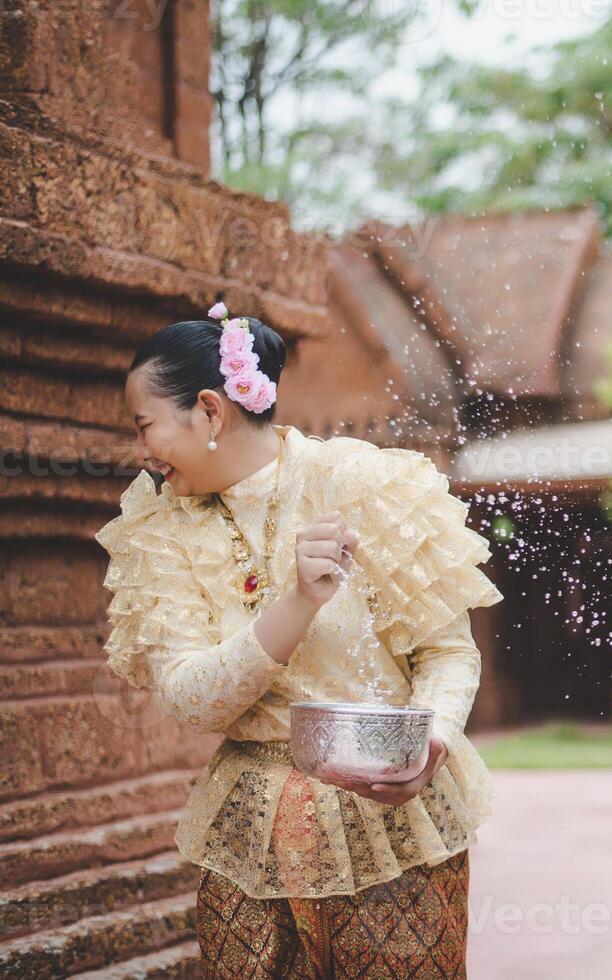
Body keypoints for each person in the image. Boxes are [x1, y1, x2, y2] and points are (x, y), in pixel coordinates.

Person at [97, 304, 503, 978]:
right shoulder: (159, 525)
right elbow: (193, 703)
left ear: (209, 410)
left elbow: (447, 651)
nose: (144, 451)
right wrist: (299, 601)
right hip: (249, 839)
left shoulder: (363, 483)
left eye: (146, 426)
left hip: (395, 826)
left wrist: (430, 743)